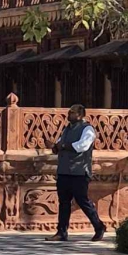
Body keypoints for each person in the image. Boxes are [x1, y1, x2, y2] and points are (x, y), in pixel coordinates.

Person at [51, 103, 106, 241]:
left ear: (80, 115)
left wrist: (63, 146)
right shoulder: (66, 129)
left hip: (79, 172)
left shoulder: (87, 129)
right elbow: (59, 143)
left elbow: (82, 146)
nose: (69, 114)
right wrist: (55, 147)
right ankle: (62, 232)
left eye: (72, 112)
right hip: (64, 171)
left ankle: (99, 226)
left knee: (82, 201)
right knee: (64, 202)